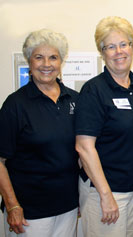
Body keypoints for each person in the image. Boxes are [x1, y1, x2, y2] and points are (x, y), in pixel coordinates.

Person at [0, 29, 79, 236]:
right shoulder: (15, 104)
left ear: (61, 62)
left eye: (53, 57)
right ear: (29, 62)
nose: (46, 64)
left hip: (68, 206)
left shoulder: (75, 100)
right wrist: (12, 206)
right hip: (29, 212)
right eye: (39, 57)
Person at [74, 16, 133, 237]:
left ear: (132, 47)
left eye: (124, 44)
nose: (119, 51)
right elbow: (84, 147)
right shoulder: (94, 91)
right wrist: (106, 196)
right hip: (104, 192)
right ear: (102, 52)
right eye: (111, 47)